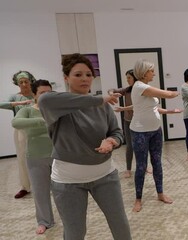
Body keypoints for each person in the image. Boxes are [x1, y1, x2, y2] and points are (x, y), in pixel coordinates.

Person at [38, 53, 132, 240]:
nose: (85, 79)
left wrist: (111, 141)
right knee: (75, 233)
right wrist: (100, 99)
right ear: (66, 78)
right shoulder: (56, 105)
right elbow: (44, 100)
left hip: (105, 176)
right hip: (68, 182)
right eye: (78, 74)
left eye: (89, 74)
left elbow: (117, 132)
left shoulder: (102, 106)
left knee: (120, 226)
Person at [130, 59, 182, 212]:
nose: (154, 73)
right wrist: (180, 92)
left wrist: (169, 112)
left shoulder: (146, 88)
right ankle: (138, 199)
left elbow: (153, 108)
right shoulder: (140, 86)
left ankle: (160, 193)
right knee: (141, 166)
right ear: (144, 72)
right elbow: (168, 94)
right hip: (140, 132)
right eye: (151, 70)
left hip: (156, 130)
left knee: (157, 163)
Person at [11, 80, 54, 234]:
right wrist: (43, 121)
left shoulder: (56, 109)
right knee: (40, 191)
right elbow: (16, 122)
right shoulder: (28, 110)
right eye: (42, 93)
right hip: (36, 157)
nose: (46, 96)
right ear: (35, 95)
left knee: (62, 191)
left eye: (49, 92)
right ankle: (44, 221)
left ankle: (68, 218)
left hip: (58, 156)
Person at [108, 69, 152, 178]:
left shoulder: (143, 90)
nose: (127, 80)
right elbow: (111, 90)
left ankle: (144, 166)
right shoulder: (127, 90)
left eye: (129, 78)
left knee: (142, 145)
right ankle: (128, 169)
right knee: (130, 146)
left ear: (135, 78)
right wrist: (111, 94)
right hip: (128, 121)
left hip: (140, 122)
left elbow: (140, 106)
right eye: (126, 78)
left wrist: (123, 108)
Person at [0, 70, 36, 198]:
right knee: (22, 157)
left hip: (38, 128)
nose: (24, 84)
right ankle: (25, 187)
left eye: (26, 81)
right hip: (21, 130)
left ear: (31, 81)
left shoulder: (36, 95)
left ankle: (50, 182)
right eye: (21, 82)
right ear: (17, 83)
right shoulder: (15, 97)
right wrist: (20, 103)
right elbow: (1, 104)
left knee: (44, 156)